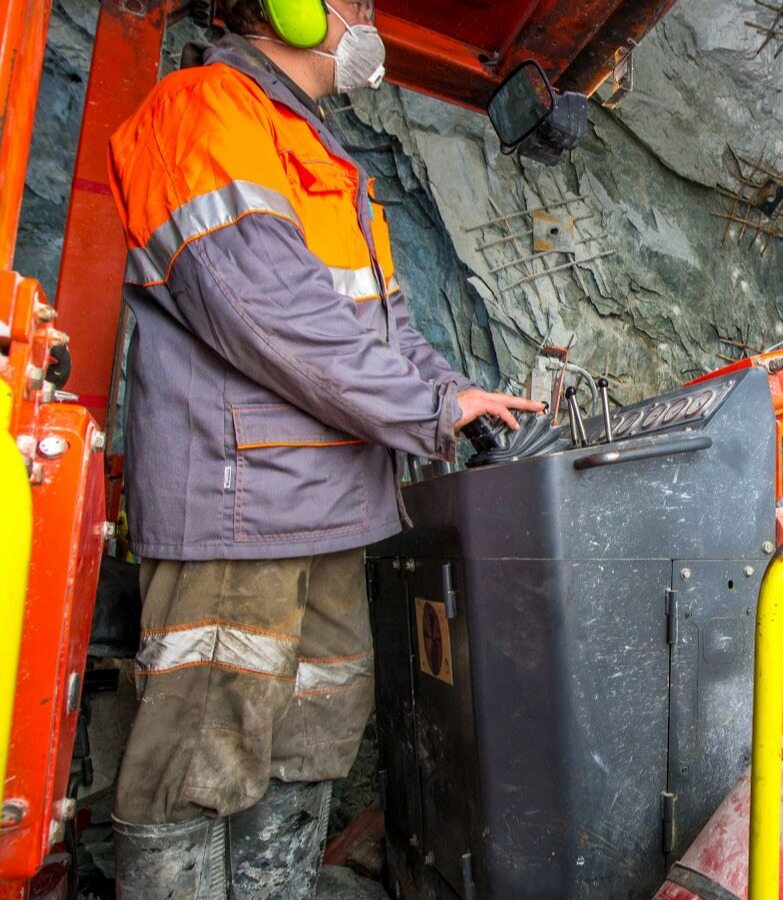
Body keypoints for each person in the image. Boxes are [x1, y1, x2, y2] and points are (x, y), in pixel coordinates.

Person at [104, 1, 537, 896]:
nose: (366, 17)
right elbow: (270, 314)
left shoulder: (318, 152)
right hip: (241, 513)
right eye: (355, 3)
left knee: (311, 745)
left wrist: (459, 398)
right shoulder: (206, 109)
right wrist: (425, 409)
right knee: (196, 762)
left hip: (334, 515)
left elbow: (385, 330)